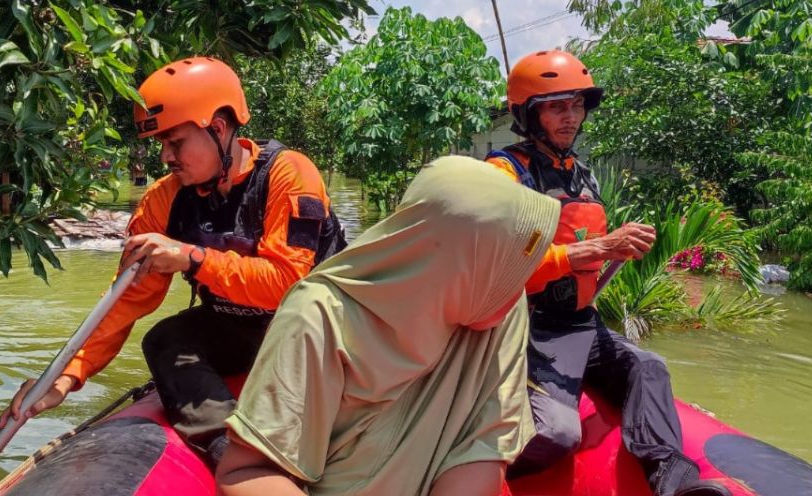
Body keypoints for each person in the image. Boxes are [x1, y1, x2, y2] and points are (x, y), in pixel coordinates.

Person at [0, 56, 345, 465]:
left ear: (217, 128)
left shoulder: (289, 175)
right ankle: (227, 449)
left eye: (175, 142)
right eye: (161, 144)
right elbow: (127, 297)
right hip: (241, 329)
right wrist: (67, 376)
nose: (165, 157)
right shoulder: (164, 200)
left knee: (302, 321)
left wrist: (192, 258)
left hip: (310, 329)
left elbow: (287, 284)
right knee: (165, 339)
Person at [215, 155, 564, 496]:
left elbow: (484, 448)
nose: (520, 281)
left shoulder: (501, 309)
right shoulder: (319, 316)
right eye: (505, 266)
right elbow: (248, 470)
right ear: (456, 265)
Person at [484, 49, 728, 496]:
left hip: (582, 326)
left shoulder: (582, 176)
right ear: (528, 114)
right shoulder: (504, 173)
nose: (571, 116)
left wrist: (618, 250)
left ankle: (674, 483)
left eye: (577, 104)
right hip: (529, 331)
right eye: (557, 106)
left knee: (649, 366)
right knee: (559, 433)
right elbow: (495, 267)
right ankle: (468, 473)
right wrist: (596, 247)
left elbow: (587, 264)